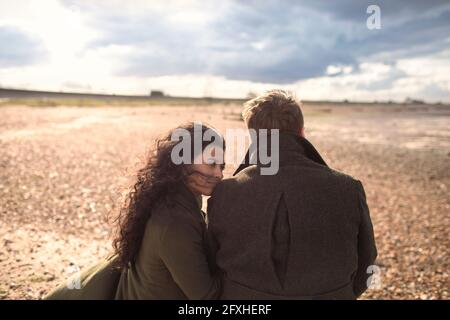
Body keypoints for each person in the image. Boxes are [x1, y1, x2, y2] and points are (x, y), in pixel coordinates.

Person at [207, 90, 377, 300]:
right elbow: (367, 260)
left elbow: (210, 261)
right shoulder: (348, 187)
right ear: (302, 131)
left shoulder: (225, 192)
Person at [45, 122, 225, 299]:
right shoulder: (175, 221)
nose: (219, 174)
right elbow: (206, 296)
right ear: (183, 162)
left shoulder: (167, 197)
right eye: (211, 163)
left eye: (222, 166)